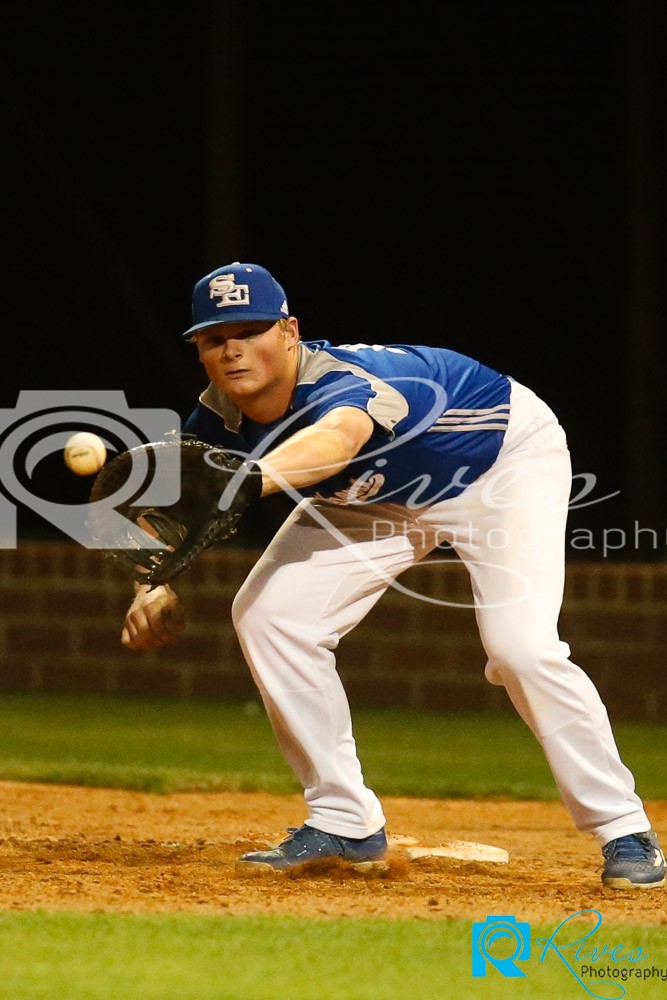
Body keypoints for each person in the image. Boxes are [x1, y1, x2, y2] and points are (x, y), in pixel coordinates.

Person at [120, 261, 664, 887]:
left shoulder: (346, 383)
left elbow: (336, 442)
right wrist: (151, 581)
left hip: (499, 468)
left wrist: (248, 479)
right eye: (215, 338)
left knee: (522, 649)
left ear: (290, 331)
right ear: (201, 352)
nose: (233, 348)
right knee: (271, 616)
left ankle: (625, 829)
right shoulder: (217, 418)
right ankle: (344, 821)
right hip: (377, 499)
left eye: (251, 329)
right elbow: (173, 511)